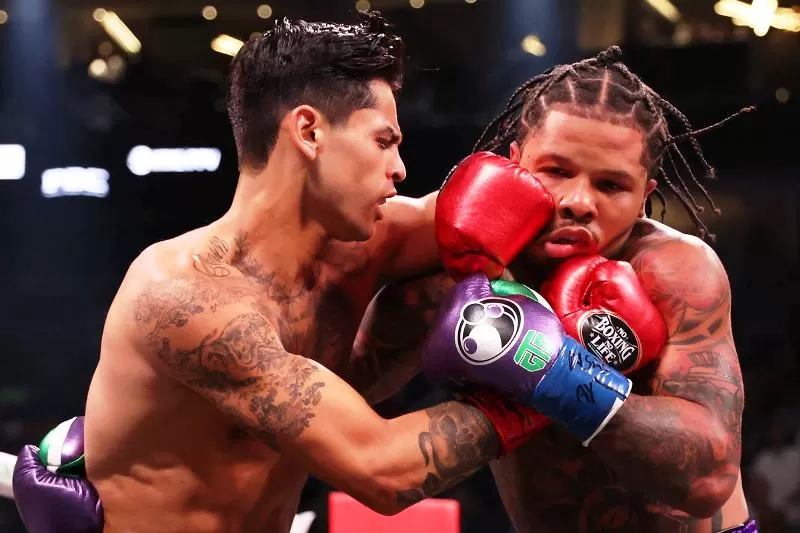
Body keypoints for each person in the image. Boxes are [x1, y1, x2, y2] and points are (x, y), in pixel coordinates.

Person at [11, 11, 557, 533]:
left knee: (451, 285)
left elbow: (514, 210)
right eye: (383, 141)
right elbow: (382, 471)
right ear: (309, 132)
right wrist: (560, 379)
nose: (400, 168)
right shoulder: (187, 296)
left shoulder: (366, 241)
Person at [350, 46, 756, 532]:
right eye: (557, 171)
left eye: (610, 186)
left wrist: (555, 369)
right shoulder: (465, 274)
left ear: (646, 195)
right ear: (515, 162)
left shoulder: (672, 271)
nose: (578, 201)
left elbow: (709, 478)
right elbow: (348, 393)